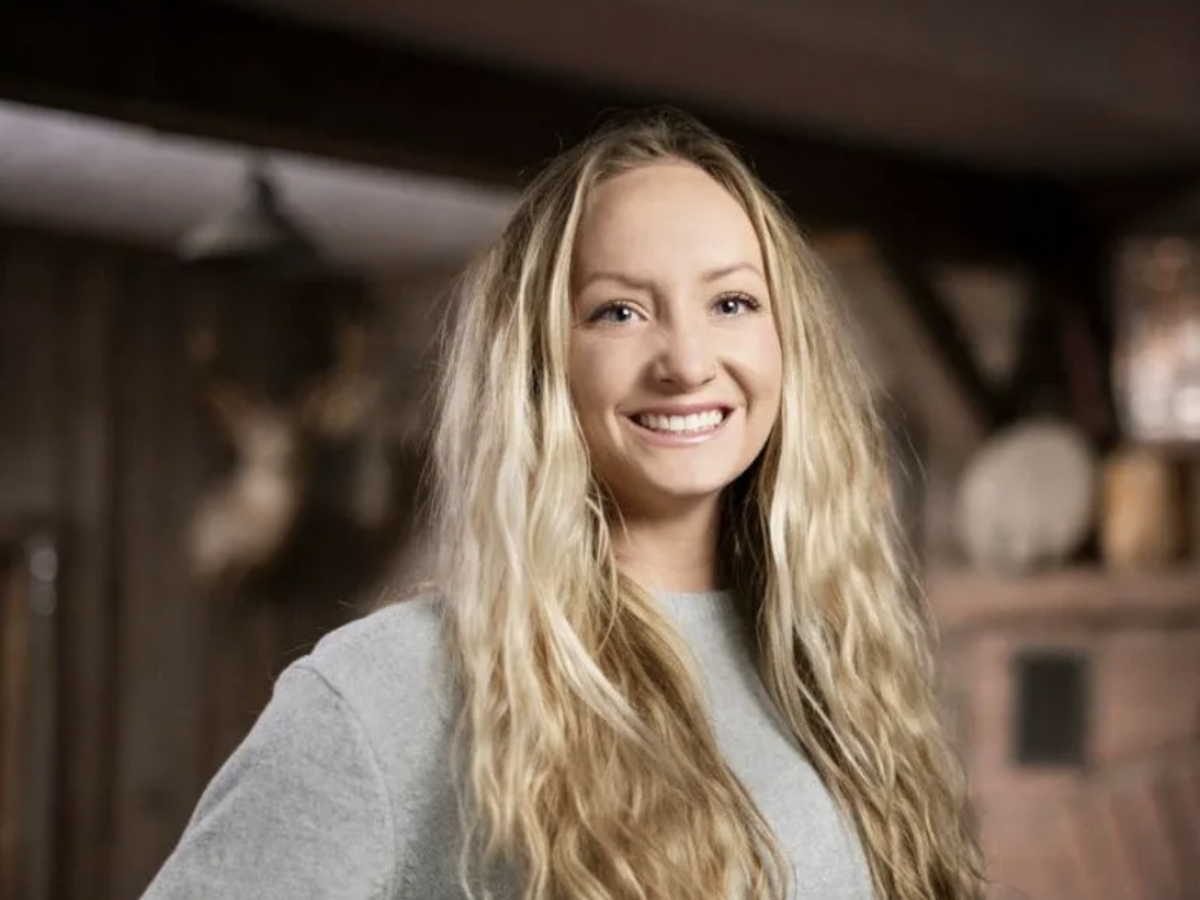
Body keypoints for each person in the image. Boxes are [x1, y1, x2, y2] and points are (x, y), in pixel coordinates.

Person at [139, 110, 985, 900]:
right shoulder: (391, 689)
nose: (687, 361)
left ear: (787, 342)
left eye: (732, 303)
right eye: (618, 311)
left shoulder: (839, 671)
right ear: (540, 366)